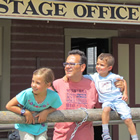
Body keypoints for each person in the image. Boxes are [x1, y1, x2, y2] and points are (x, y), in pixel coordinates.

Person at [52, 49, 125, 140]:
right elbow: (39, 101)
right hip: (61, 137)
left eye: (72, 64)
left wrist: (117, 89)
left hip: (85, 136)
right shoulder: (56, 85)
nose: (67, 67)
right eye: (66, 64)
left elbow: (105, 106)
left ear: (82, 67)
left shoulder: (93, 85)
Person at [84, 53, 138, 140]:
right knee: (106, 109)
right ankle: (105, 133)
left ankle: (135, 137)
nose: (98, 66)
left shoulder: (113, 76)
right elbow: (82, 77)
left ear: (109, 68)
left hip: (118, 100)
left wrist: (125, 93)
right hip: (106, 101)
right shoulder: (95, 77)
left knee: (128, 119)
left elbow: (123, 81)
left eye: (102, 65)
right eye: (97, 64)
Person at [6, 67, 62, 140]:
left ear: (48, 85)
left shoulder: (53, 96)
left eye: (38, 83)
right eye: (33, 81)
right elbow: (9, 105)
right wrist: (25, 112)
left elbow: (54, 107)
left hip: (40, 128)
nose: (33, 85)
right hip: (25, 127)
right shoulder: (26, 94)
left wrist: (46, 112)